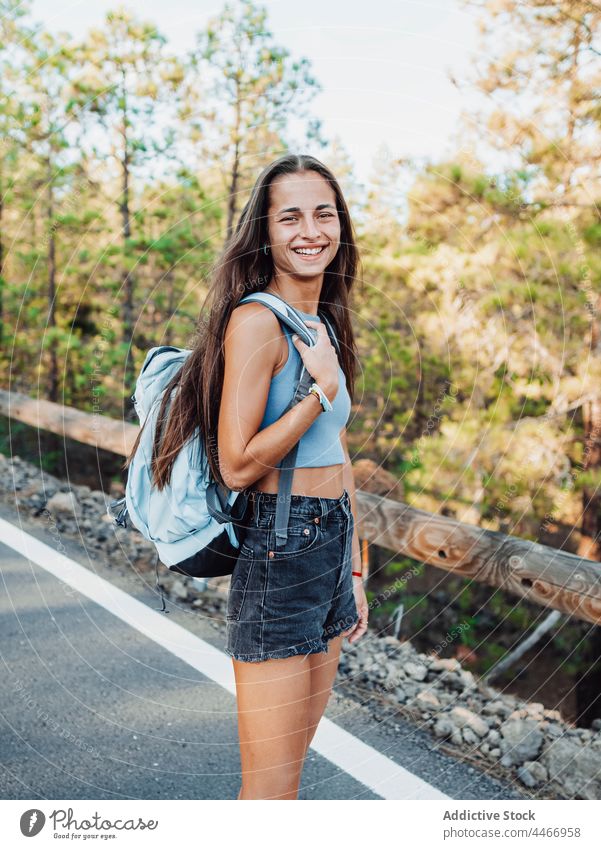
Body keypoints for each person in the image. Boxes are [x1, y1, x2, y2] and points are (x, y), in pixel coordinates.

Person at [217, 153, 368, 800]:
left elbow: (337, 453)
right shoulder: (256, 323)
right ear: (266, 233)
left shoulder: (324, 320)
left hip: (328, 544)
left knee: (293, 775)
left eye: (323, 212)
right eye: (291, 216)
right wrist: (316, 391)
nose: (310, 229)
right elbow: (236, 462)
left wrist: (355, 570)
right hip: (281, 547)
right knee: (271, 793)